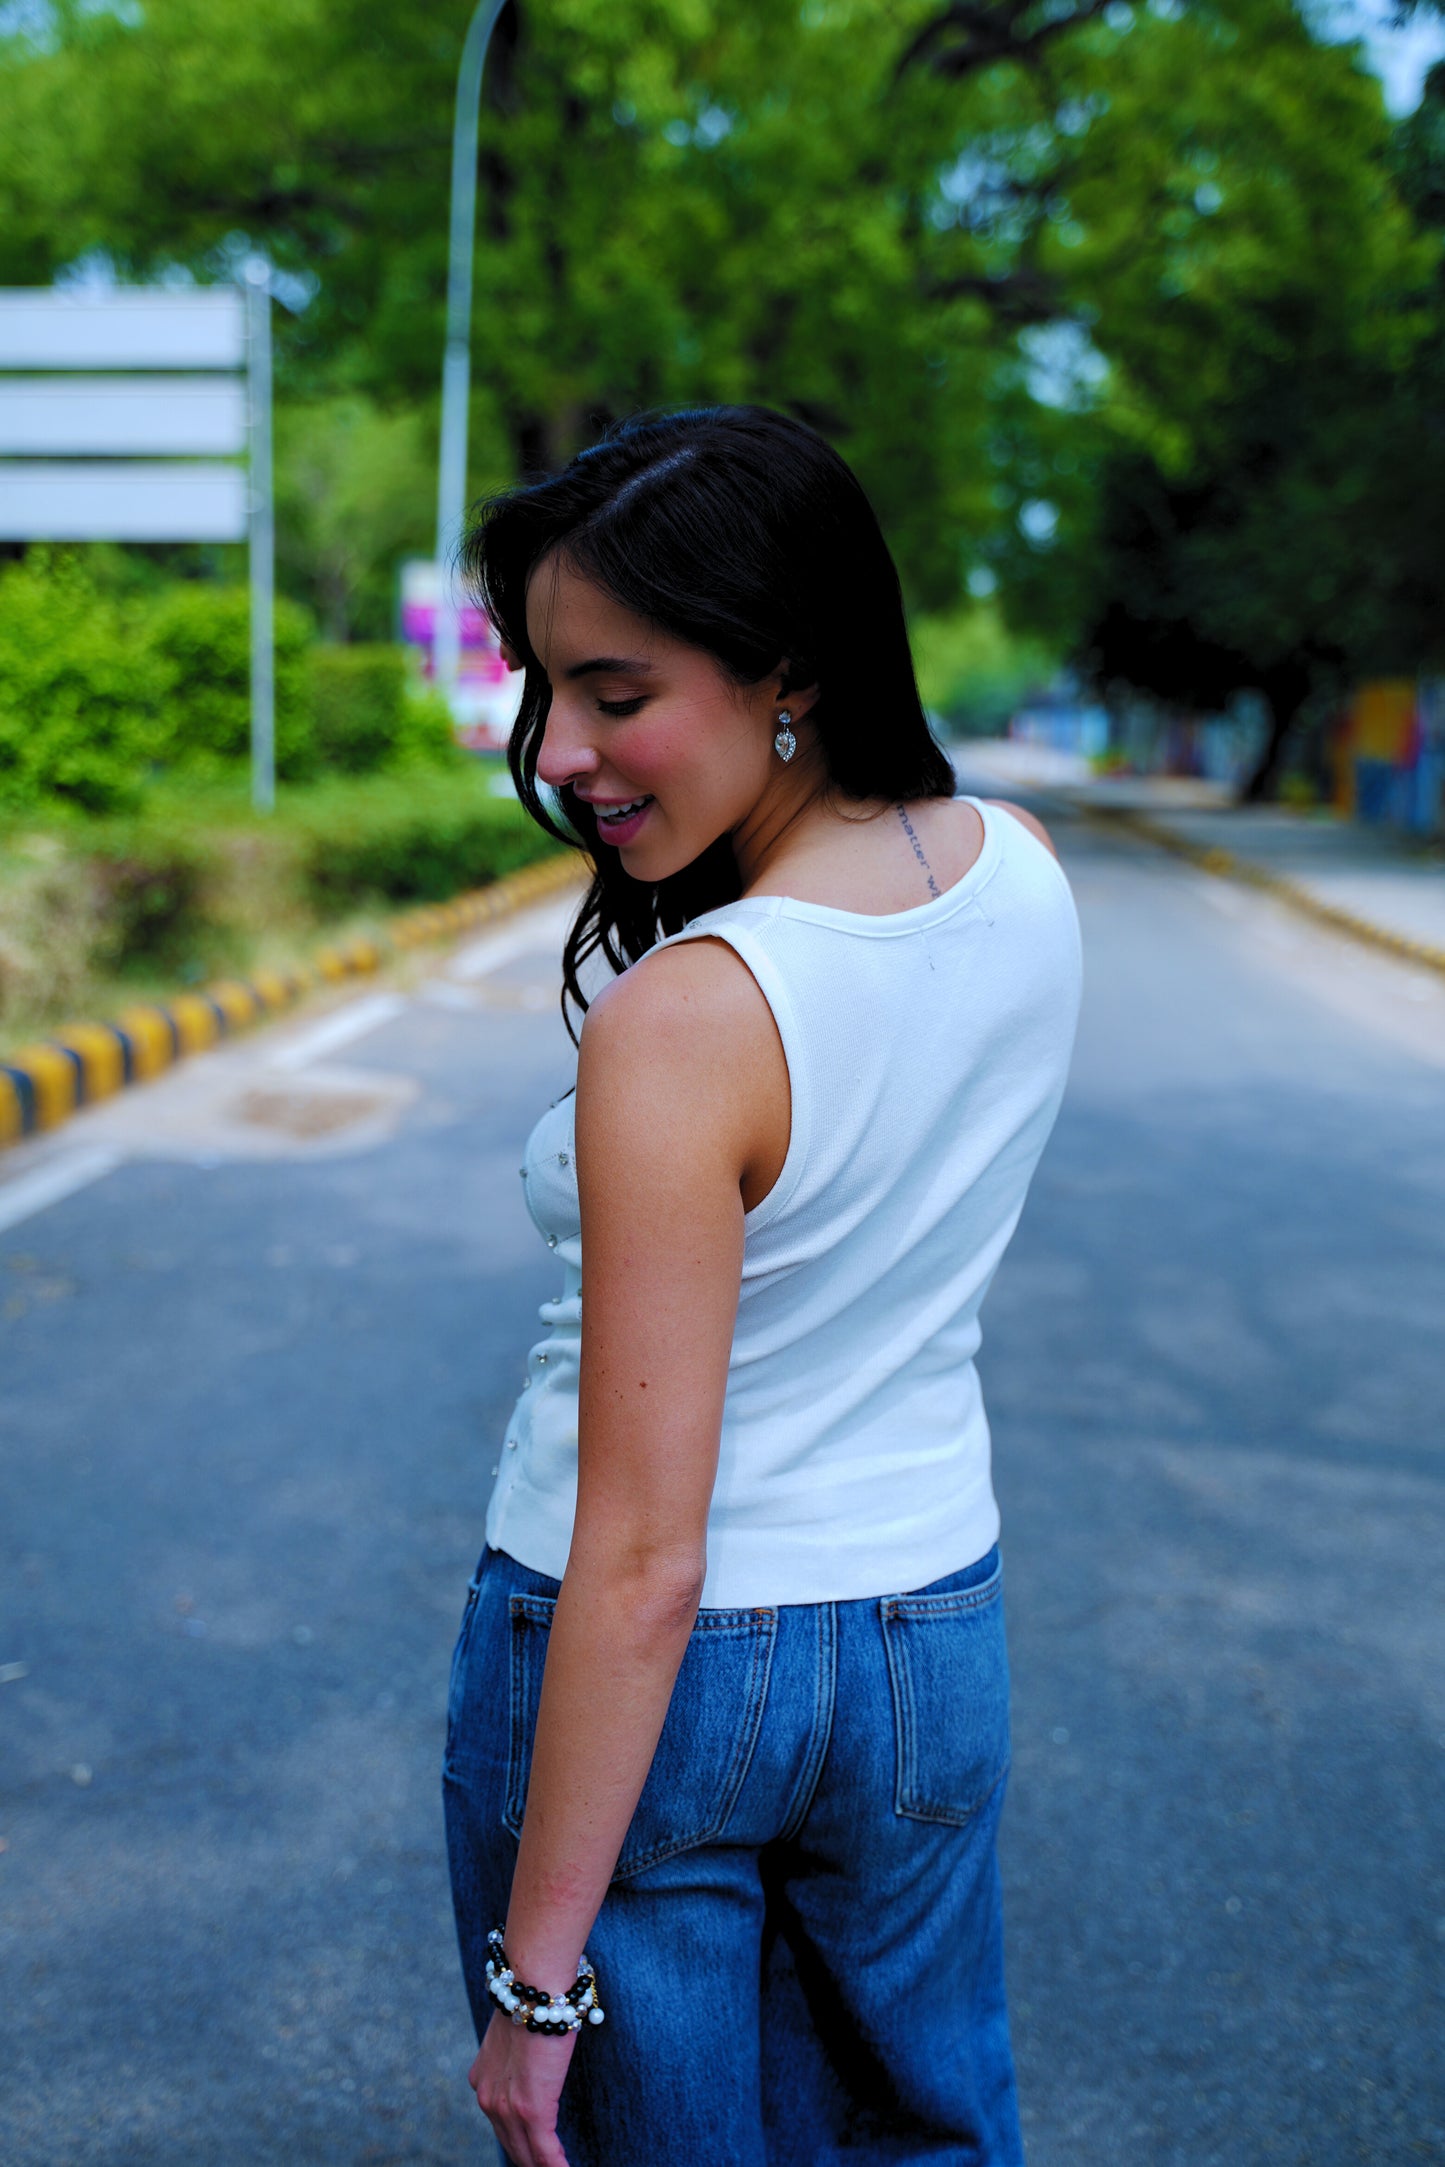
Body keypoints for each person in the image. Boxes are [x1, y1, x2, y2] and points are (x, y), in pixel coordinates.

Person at [441, 405, 1082, 2167]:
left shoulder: (691, 1016)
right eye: (543, 689)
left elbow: (647, 1555)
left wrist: (535, 1993)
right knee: (918, 2134)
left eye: (616, 693)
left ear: (788, 668)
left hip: (669, 1692)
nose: (560, 750)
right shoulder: (1017, 872)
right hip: (927, 1641)